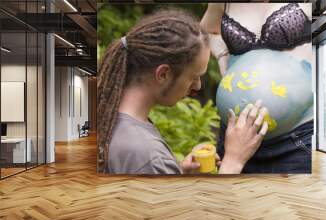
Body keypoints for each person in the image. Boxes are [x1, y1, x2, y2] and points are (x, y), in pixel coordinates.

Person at [97, 8, 269, 174]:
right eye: (194, 77)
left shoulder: (109, 115)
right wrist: (233, 161)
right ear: (163, 74)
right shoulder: (146, 154)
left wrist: (175, 172)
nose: (198, 86)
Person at [201, 3, 314, 173]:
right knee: (235, 198)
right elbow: (205, 31)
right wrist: (222, 55)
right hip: (235, 138)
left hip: (298, 138)